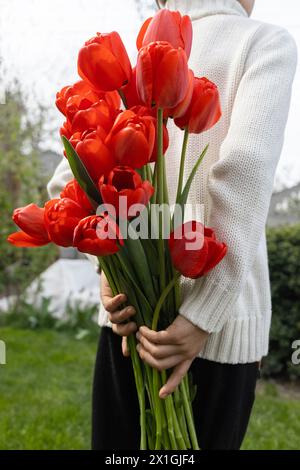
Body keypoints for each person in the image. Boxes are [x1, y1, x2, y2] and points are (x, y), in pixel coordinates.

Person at [48, 0, 297, 450]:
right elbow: (244, 173)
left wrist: (108, 272)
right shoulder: (264, 43)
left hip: (128, 322)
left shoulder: (130, 57)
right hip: (220, 332)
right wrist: (204, 315)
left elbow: (70, 183)